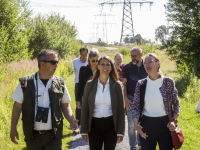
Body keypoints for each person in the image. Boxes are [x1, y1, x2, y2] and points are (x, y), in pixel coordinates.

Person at [10, 49, 78, 150]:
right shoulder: (25, 83)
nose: (56, 65)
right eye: (53, 62)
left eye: (57, 62)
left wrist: (72, 120)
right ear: (42, 64)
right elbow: (17, 106)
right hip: (32, 136)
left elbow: (65, 105)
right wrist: (13, 128)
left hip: (54, 136)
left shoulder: (60, 83)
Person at [132, 53, 180, 150]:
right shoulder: (141, 84)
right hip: (146, 125)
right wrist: (136, 124)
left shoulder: (168, 82)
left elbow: (176, 103)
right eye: (145, 63)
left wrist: (174, 121)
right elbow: (136, 106)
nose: (147, 65)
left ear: (158, 63)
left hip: (165, 125)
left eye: (150, 62)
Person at [80, 55, 125, 150]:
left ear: (111, 67)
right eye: (103, 64)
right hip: (94, 125)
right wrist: (83, 130)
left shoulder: (117, 85)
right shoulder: (89, 85)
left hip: (111, 125)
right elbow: (85, 109)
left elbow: (121, 110)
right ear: (98, 66)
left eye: (108, 64)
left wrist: (121, 131)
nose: (105, 67)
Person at [121, 47, 148, 150]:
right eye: (131, 56)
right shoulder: (127, 67)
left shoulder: (146, 66)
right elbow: (123, 84)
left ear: (141, 55)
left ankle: (141, 145)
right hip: (130, 98)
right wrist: (125, 98)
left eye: (135, 56)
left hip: (145, 99)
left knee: (142, 123)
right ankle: (133, 146)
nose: (133, 58)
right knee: (132, 124)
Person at [76, 48, 100, 127]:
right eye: (93, 61)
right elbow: (80, 85)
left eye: (97, 60)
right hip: (86, 96)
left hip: (99, 96)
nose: (95, 63)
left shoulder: (100, 69)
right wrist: (78, 100)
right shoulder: (83, 69)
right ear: (89, 59)